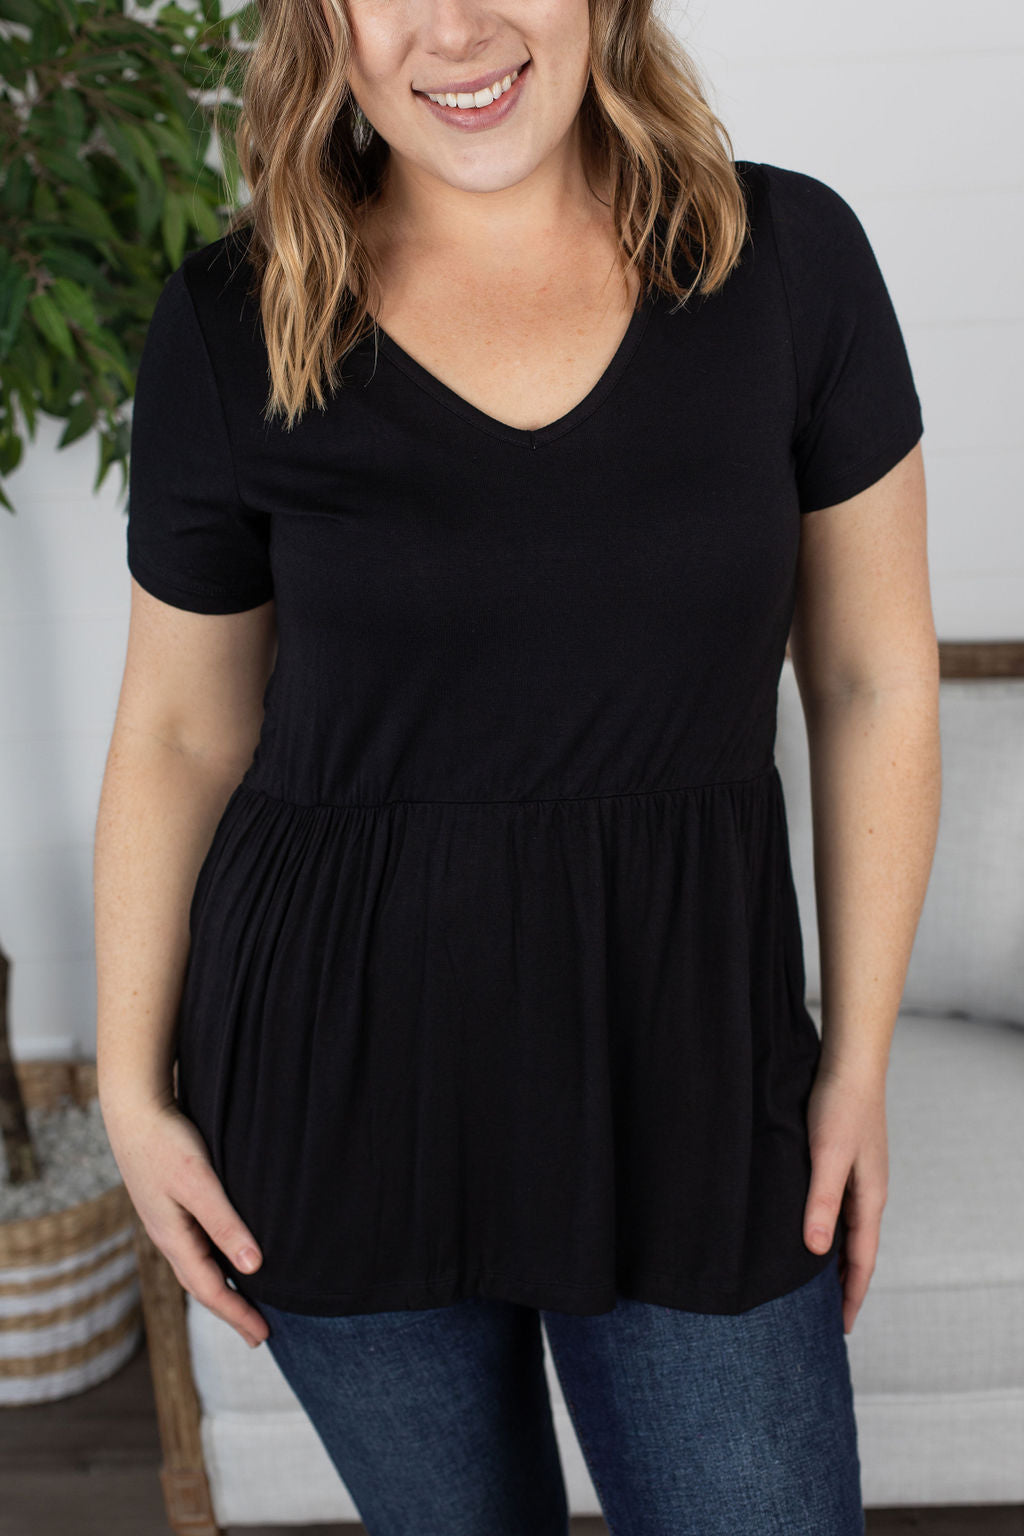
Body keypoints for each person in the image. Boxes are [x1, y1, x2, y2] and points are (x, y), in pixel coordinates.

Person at [94, 0, 941, 1528]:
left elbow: (872, 678)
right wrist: (128, 1088)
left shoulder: (789, 264)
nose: (456, 28)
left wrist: (858, 1062)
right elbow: (181, 730)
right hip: (335, 1092)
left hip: (695, 1081)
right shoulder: (233, 318)